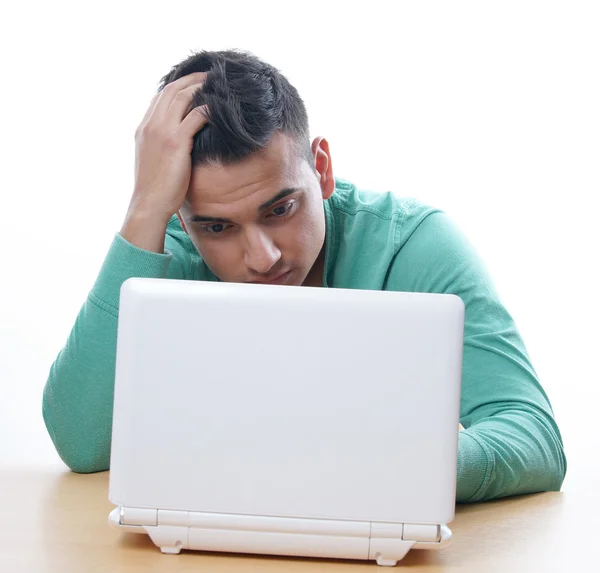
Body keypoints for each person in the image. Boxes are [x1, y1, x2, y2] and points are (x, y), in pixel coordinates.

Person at [42, 49, 566, 503]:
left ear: (322, 168)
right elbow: (81, 441)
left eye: (280, 209)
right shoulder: (167, 258)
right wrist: (143, 211)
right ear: (183, 217)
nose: (263, 257)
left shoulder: (415, 244)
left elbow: (535, 438)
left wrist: (398, 467)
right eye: (218, 226)